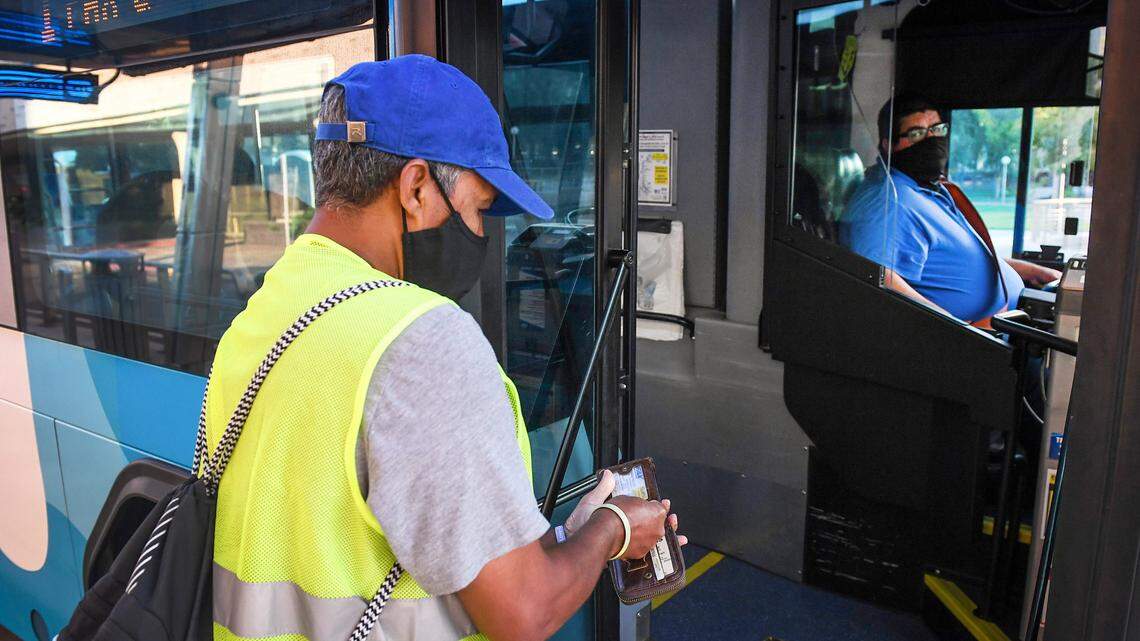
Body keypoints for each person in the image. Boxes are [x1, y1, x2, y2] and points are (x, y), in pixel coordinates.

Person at [204, 55, 683, 641]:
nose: (481, 236)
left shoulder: (268, 308)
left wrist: (561, 537)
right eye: (479, 209)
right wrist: (613, 528)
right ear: (415, 187)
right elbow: (524, 613)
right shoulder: (420, 341)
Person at [839, 94, 1061, 325]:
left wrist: (1029, 270)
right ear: (888, 145)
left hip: (1008, 323)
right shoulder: (888, 201)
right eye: (916, 133)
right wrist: (962, 331)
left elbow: (949, 257)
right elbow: (881, 280)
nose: (931, 140)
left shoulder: (924, 188)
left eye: (937, 129)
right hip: (972, 342)